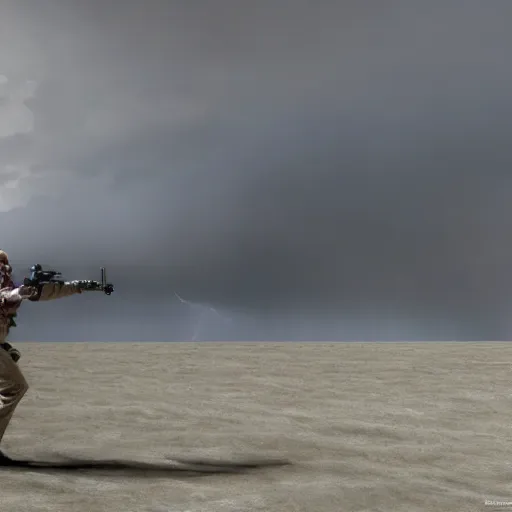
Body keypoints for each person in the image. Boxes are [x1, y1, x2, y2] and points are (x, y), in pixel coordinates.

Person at [0, 250, 103, 465]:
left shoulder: (13, 286)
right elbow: (6, 296)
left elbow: (52, 290)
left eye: (5, 267)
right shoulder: (9, 290)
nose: (4, 271)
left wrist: (84, 285)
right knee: (15, 387)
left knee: (13, 387)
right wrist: (18, 293)